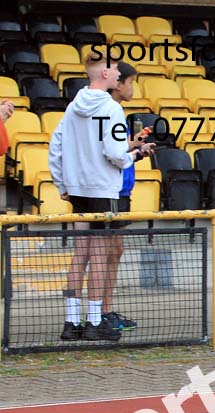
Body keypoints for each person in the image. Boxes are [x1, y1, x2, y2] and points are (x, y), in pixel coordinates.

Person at [49, 53, 153, 341]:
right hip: (102, 188)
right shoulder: (111, 108)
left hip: (78, 188)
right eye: (117, 70)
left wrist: (62, 182)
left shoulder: (73, 106)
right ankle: (95, 321)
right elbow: (115, 154)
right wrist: (136, 154)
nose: (119, 75)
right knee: (98, 256)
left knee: (80, 254)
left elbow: (56, 146)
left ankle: (72, 322)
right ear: (106, 74)